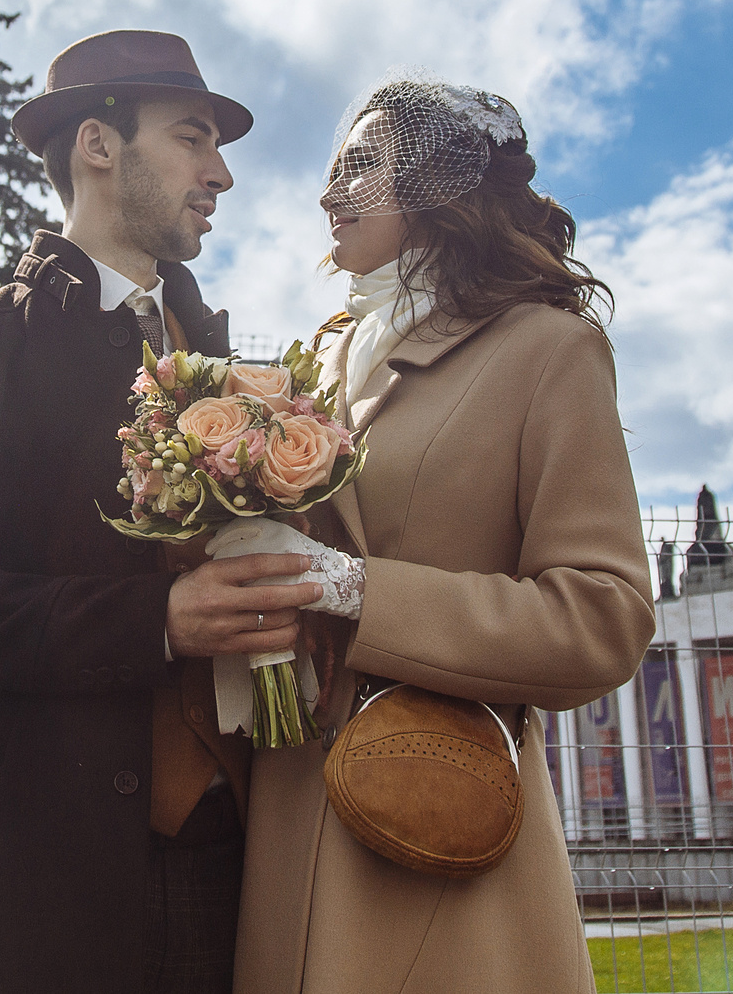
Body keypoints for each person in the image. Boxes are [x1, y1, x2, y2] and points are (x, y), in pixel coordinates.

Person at [0, 29, 324, 994]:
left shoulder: (236, 372)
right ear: (98, 144)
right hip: (34, 888)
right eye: (195, 138)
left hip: (229, 870)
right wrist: (157, 622)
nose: (221, 174)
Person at [233, 78, 655, 994]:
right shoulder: (314, 360)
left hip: (439, 833)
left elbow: (603, 616)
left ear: (433, 185)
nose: (326, 191)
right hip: (289, 824)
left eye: (358, 165)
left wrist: (356, 590)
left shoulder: (548, 351)